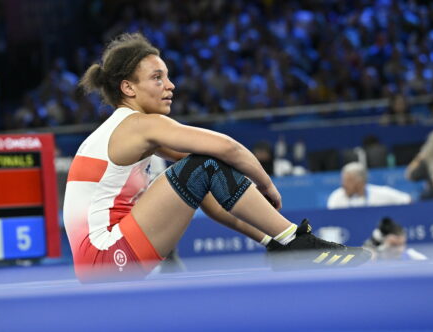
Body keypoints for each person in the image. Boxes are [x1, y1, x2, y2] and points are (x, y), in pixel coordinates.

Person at [63, 33, 371, 281]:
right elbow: (228, 149)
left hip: (99, 262)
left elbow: (208, 191)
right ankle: (297, 242)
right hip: (107, 256)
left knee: (199, 170)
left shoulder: (127, 132)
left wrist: (270, 239)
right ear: (128, 87)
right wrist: (267, 186)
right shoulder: (138, 125)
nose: (170, 86)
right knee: (204, 164)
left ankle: (285, 244)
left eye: (167, 77)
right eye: (157, 78)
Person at [327, 162, 411, 209]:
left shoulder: (382, 193)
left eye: (349, 181)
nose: (344, 184)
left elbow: (407, 200)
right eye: (343, 180)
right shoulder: (336, 197)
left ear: (361, 182)